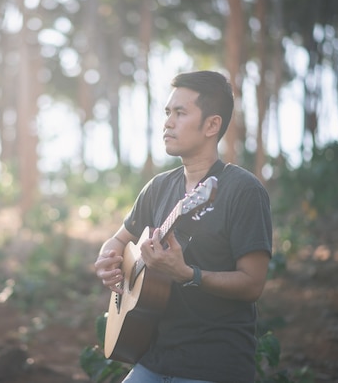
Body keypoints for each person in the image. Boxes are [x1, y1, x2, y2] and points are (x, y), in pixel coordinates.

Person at [94, 70, 273, 383]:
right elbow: (119, 240)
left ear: (211, 125)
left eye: (180, 113)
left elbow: (252, 284)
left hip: (214, 365)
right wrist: (108, 257)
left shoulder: (243, 190)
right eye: (167, 113)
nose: (167, 122)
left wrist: (189, 275)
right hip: (153, 356)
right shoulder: (158, 187)